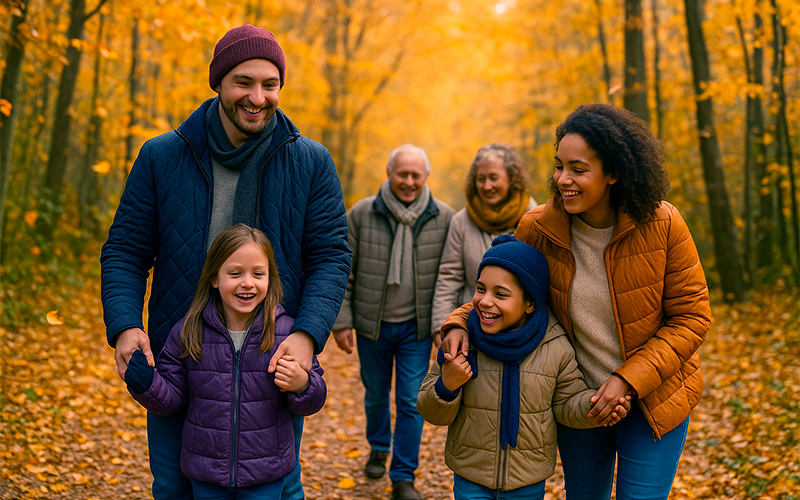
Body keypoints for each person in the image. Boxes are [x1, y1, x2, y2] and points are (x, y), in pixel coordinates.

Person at [100, 24, 351, 500]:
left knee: (272, 486)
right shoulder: (162, 156)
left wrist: (305, 335)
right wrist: (125, 324)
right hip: (179, 358)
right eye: (244, 82)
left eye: (270, 84)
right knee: (174, 486)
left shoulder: (311, 162)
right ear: (218, 83)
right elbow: (125, 251)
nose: (257, 97)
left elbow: (332, 256)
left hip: (268, 364)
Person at [440, 103, 712, 500]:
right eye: (558, 166)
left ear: (614, 173)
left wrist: (627, 380)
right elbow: (502, 291)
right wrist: (458, 322)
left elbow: (692, 318)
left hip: (655, 396)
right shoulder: (538, 228)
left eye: (578, 169)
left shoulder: (664, 224)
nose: (562, 179)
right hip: (577, 398)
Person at [418, 235, 631, 500]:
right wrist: (447, 385)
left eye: (501, 294)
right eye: (481, 288)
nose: (484, 301)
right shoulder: (462, 341)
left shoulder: (554, 345)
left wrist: (596, 406)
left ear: (530, 303)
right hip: (470, 476)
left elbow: (566, 403)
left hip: (527, 482)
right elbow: (430, 411)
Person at [124, 224, 327, 499]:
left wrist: (302, 383)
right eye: (235, 273)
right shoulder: (188, 332)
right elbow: (172, 399)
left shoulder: (286, 334)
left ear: (270, 278)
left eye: (258, 274)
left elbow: (313, 398)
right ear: (215, 278)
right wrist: (146, 384)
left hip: (265, 475)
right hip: (206, 474)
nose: (247, 283)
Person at [331, 144, 455, 500]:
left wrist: (442, 326)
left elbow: (449, 275)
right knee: (374, 394)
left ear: (426, 177)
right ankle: (378, 447)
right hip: (373, 325)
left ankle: (403, 476)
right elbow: (345, 271)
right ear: (389, 174)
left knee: (410, 400)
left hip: (416, 328)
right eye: (403, 174)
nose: (409, 181)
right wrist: (343, 321)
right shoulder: (362, 213)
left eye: (416, 175)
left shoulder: (444, 217)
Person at [431, 143, 537, 344]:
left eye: (494, 178)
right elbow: (449, 278)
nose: (487, 186)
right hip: (471, 331)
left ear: (511, 178)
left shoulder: (535, 218)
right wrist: (442, 326)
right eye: (481, 179)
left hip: (522, 334)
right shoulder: (461, 221)